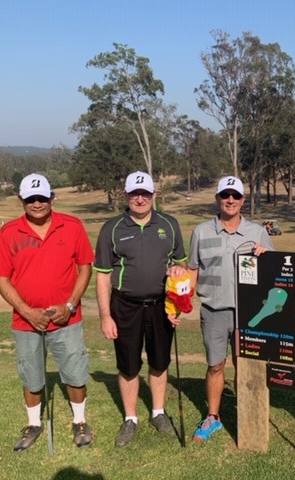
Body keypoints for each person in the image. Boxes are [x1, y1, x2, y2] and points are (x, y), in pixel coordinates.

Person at [0, 173, 95, 452]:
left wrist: (69, 305)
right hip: (25, 321)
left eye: (42, 198)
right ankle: (34, 424)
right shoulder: (9, 232)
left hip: (67, 318)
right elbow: (1, 277)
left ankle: (80, 421)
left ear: (52, 198)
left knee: (75, 372)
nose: (37, 203)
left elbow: (85, 267)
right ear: (21, 200)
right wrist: (26, 311)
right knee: (32, 375)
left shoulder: (72, 226)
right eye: (31, 199)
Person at [94, 171, 188, 447]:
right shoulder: (112, 228)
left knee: (160, 361)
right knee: (128, 364)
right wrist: (104, 315)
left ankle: (158, 413)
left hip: (161, 306)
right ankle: (131, 418)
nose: (140, 198)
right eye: (135, 193)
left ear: (153, 195)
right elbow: (102, 274)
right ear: (126, 195)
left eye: (145, 193)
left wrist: (178, 299)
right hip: (124, 305)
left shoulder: (169, 225)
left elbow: (183, 267)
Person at [188, 176, 274, 441]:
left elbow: (273, 272)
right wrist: (179, 304)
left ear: (243, 200)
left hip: (249, 314)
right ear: (217, 198)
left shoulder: (257, 231)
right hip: (213, 311)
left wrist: (266, 256)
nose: (230, 200)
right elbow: (193, 270)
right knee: (215, 365)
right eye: (225, 195)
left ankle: (246, 414)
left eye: (235, 196)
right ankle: (213, 417)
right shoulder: (201, 232)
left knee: (245, 365)